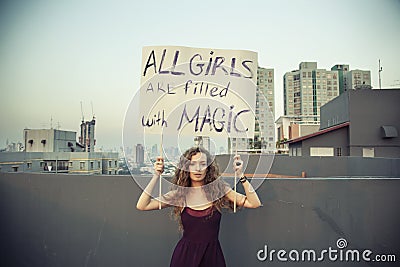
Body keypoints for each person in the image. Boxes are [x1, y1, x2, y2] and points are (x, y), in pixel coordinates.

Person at [136, 146, 261, 267]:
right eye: (193, 164)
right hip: (185, 258)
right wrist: (156, 175)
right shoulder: (180, 194)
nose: (198, 169)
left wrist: (241, 175)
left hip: (212, 258)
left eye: (202, 164)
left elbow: (254, 203)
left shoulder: (219, 190)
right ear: (186, 168)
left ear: (208, 168)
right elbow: (143, 205)